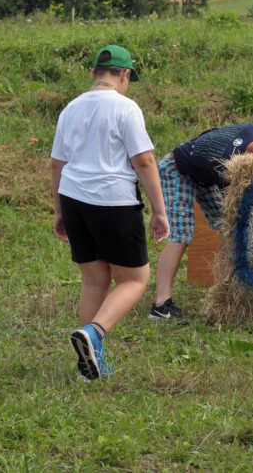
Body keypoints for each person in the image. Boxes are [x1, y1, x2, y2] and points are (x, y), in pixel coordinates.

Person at [51, 44, 169, 379]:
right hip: (113, 201)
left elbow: (57, 164)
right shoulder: (125, 108)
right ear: (125, 75)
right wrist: (159, 212)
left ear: (93, 73)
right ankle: (94, 332)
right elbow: (144, 161)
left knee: (94, 281)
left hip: (73, 199)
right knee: (134, 278)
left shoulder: (70, 109)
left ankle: (90, 366)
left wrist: (59, 210)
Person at [150, 124, 253, 319]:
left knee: (228, 227)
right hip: (176, 170)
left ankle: (233, 288)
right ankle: (160, 305)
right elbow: (240, 204)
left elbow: (213, 132)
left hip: (201, 169)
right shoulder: (225, 163)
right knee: (181, 235)